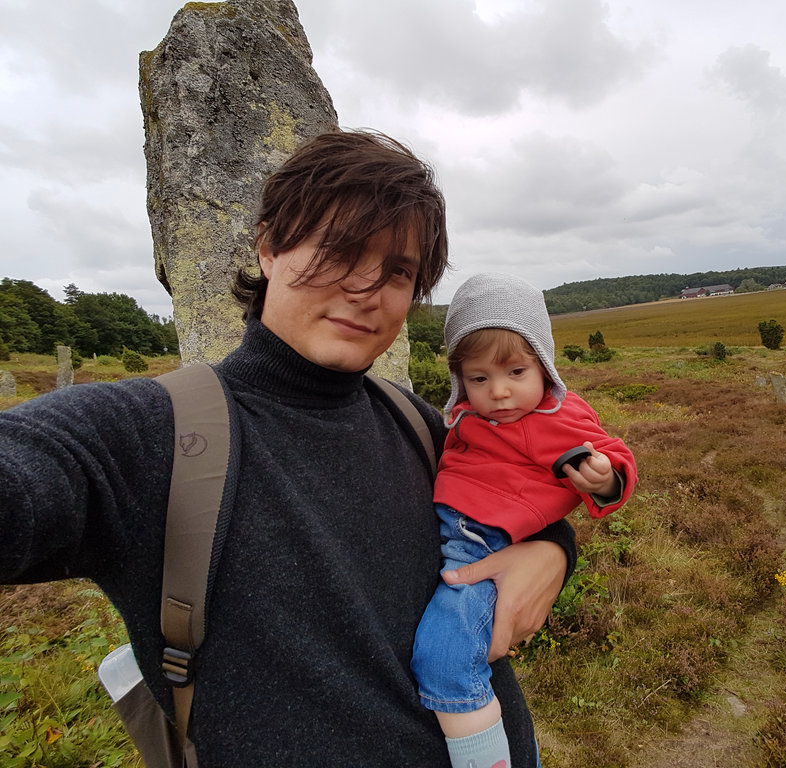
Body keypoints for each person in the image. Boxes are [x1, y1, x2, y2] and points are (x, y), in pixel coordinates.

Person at [0, 131, 576, 765]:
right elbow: (26, 475)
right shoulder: (150, 434)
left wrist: (553, 549)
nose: (367, 288)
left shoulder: (417, 422)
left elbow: (520, 496)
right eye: (338, 249)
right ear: (269, 246)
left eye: (398, 271)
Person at [410, 273, 638, 768]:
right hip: (458, 540)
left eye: (516, 372)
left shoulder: (554, 417)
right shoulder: (464, 417)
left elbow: (613, 456)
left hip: (484, 551)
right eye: (479, 378)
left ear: (544, 365)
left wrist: (602, 479)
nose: (500, 393)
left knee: (445, 661)